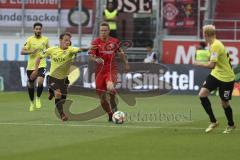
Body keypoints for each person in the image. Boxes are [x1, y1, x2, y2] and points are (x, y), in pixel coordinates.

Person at [30, 32, 91, 121]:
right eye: (65, 40)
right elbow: (39, 57)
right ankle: (62, 115)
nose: (67, 42)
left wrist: (90, 48)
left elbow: (81, 50)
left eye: (69, 40)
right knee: (58, 94)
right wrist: (35, 70)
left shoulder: (70, 50)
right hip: (53, 77)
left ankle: (51, 91)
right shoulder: (52, 50)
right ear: (60, 40)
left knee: (62, 99)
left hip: (64, 79)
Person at [194, 25, 236, 134]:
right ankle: (213, 121)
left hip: (227, 77)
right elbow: (214, 64)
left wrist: (198, 63)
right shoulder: (212, 44)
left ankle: (231, 124)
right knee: (202, 94)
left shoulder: (216, 45)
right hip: (216, 74)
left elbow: (212, 65)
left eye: (203, 33)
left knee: (224, 103)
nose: (203, 35)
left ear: (206, 34)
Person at [89, 22, 129, 122]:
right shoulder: (95, 42)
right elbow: (91, 56)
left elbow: (121, 53)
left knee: (110, 88)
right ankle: (110, 114)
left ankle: (115, 109)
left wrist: (126, 63)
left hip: (111, 69)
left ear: (109, 31)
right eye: (101, 30)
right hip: (99, 72)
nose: (103, 32)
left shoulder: (114, 41)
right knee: (102, 97)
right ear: (99, 31)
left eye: (105, 30)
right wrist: (95, 59)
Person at [21, 22, 49, 112]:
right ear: (34, 30)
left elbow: (49, 50)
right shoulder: (29, 40)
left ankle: (38, 98)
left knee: (40, 81)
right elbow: (22, 52)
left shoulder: (45, 39)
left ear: (41, 30)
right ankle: (32, 103)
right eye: (36, 29)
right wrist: (31, 51)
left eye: (39, 29)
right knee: (31, 85)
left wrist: (50, 55)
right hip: (31, 66)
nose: (38, 30)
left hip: (42, 64)